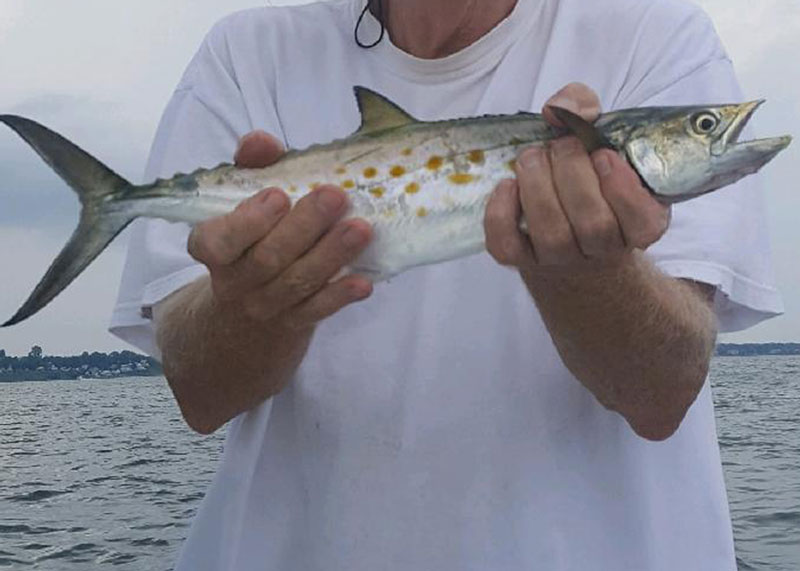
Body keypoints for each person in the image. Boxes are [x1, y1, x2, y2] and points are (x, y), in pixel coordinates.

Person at [110, 0, 782, 569]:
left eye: (701, 129)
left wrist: (590, 274)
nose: (710, 130)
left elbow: (663, 390)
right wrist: (256, 309)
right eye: (702, 127)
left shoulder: (652, 32)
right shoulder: (246, 52)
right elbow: (199, 395)